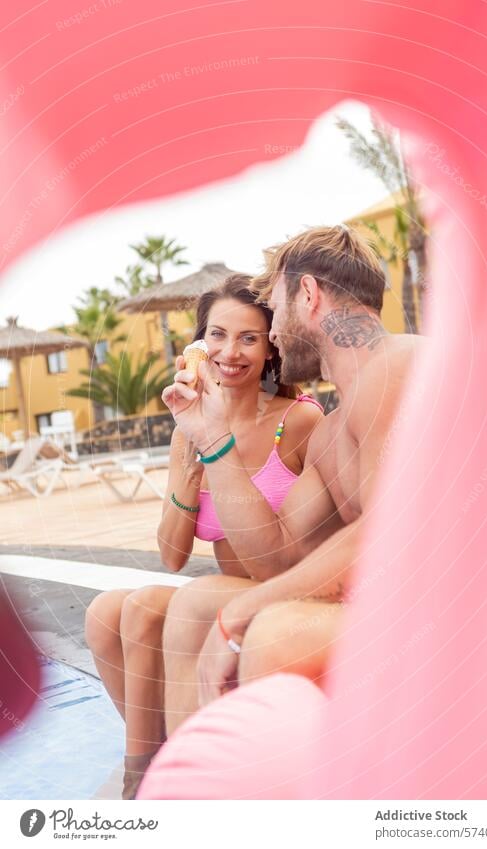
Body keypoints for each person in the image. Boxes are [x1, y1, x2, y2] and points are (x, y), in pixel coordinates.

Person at [162, 224, 426, 729]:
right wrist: (213, 439)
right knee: (230, 613)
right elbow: (274, 555)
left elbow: (395, 532)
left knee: (272, 632)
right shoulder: (330, 436)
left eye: (276, 309)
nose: (274, 332)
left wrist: (241, 614)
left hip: (459, 606)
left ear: (307, 294)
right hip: (400, 606)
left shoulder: (400, 366)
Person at [84, 274, 323, 799]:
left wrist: (220, 447)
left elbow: (307, 541)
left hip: (282, 585)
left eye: (248, 338)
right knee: (109, 611)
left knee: (151, 602)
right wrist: (194, 460)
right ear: (198, 344)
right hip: (221, 586)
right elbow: (172, 555)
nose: (229, 352)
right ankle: (158, 760)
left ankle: (142, 783)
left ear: (270, 348)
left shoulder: (298, 421)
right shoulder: (185, 425)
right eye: (217, 335)